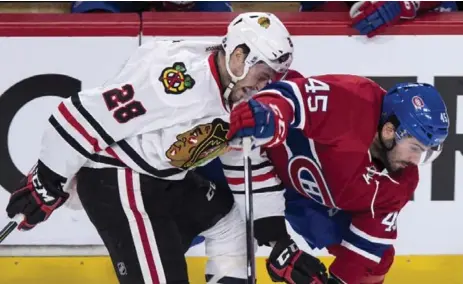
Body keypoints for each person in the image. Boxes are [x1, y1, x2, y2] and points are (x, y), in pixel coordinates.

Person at [5, 12, 296, 284]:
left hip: (165, 178)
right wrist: (48, 179)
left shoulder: (238, 94)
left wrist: (275, 236)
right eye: (262, 76)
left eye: (270, 79)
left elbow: (245, 158)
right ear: (239, 56)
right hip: (119, 179)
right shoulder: (174, 80)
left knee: (229, 225)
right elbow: (80, 114)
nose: (263, 87)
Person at [226, 74, 449, 283]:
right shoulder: (353, 100)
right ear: (390, 131)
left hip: (307, 199)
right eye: (415, 148)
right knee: (206, 216)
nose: (415, 160)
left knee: (378, 261)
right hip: (258, 159)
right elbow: (290, 95)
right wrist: (268, 112)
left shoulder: (401, 183)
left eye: (426, 153)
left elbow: (364, 251)